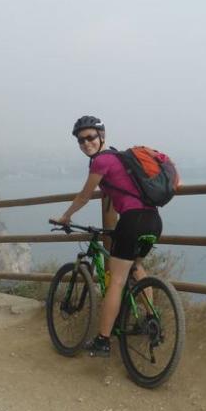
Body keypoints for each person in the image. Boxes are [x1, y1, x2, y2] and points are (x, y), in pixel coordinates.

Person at [50, 115, 162, 358]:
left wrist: (65, 217)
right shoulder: (119, 158)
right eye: (80, 140)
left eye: (90, 137)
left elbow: (84, 196)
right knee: (136, 267)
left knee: (117, 279)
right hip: (153, 221)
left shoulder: (101, 161)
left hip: (132, 221)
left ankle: (103, 340)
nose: (85, 143)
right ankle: (150, 319)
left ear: (101, 136)